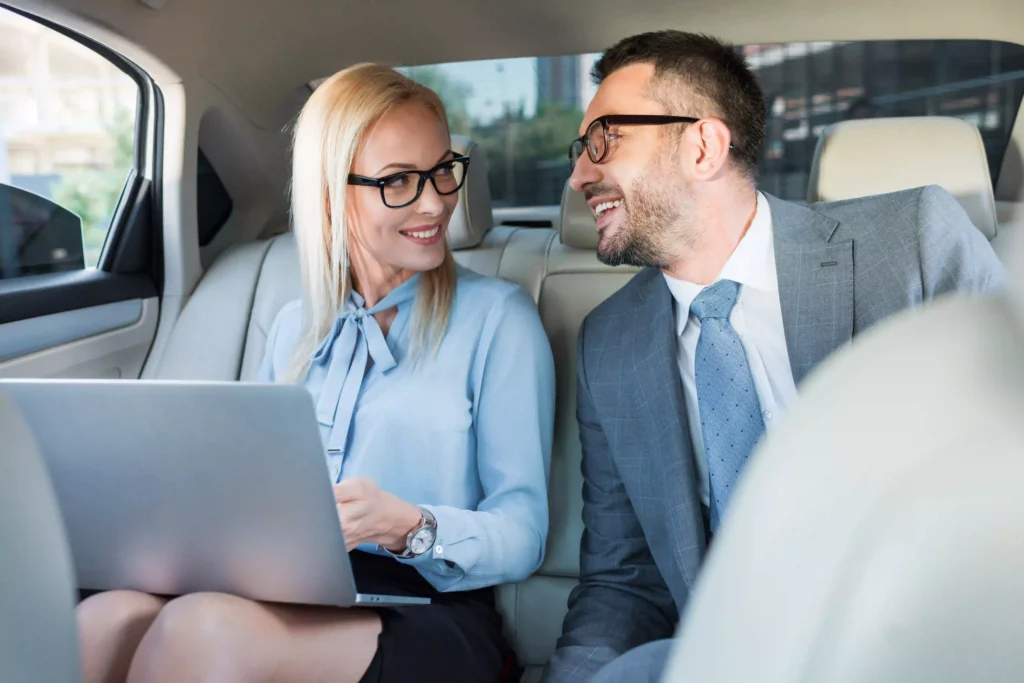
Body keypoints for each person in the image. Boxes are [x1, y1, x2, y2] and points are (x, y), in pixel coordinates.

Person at [542, 30, 1005, 683]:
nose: (579, 174)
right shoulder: (610, 342)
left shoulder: (912, 246)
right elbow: (623, 582)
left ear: (702, 146)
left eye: (603, 140)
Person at [75, 63, 555, 683]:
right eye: (399, 181)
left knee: (203, 631)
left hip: (430, 612)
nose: (435, 200)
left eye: (442, 170)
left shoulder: (500, 320)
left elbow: (523, 536)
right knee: (102, 620)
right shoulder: (293, 326)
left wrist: (407, 526)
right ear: (332, 191)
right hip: (291, 592)